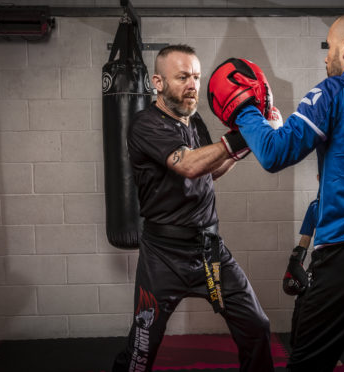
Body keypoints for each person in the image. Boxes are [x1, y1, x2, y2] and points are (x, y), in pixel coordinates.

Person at [208, 6, 344, 372]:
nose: (326, 57)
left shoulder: (335, 91)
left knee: (306, 366)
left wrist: (245, 110)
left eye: (328, 47)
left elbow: (275, 153)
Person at [112, 44, 274, 372]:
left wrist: (250, 142)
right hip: (163, 256)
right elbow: (187, 164)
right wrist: (248, 134)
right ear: (157, 82)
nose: (193, 85)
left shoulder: (195, 121)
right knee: (143, 346)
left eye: (197, 77)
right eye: (183, 77)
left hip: (209, 252)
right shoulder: (145, 124)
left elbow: (209, 169)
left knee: (257, 326)